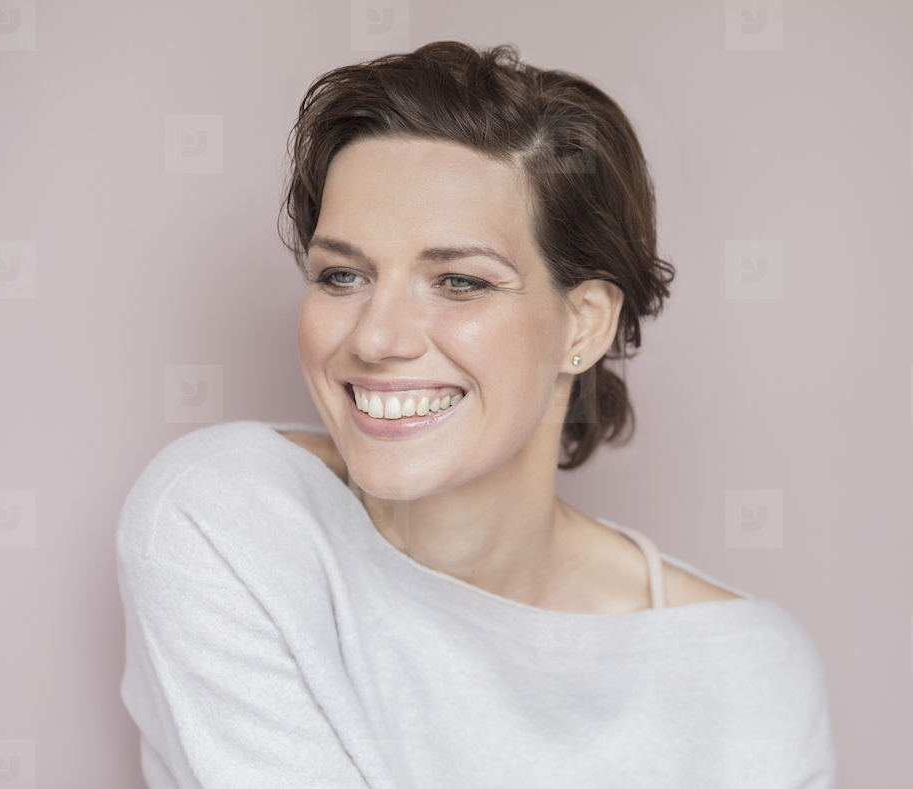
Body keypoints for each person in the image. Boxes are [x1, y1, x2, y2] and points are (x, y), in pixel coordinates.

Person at [116, 41, 836, 788]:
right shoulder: (227, 519)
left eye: (458, 280)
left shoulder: (746, 671)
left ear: (584, 324)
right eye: (342, 274)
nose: (375, 336)